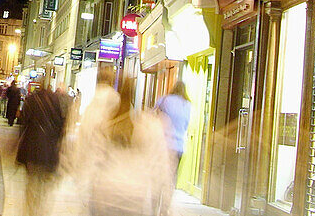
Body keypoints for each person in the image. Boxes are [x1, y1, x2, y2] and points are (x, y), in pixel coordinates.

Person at [85, 76, 171, 216]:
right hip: (134, 196)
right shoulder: (149, 127)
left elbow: (93, 160)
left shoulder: (106, 125)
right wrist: (162, 205)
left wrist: (85, 190)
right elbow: (160, 167)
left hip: (106, 192)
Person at [15, 81, 67, 216]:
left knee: (32, 183)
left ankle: (31, 211)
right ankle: (40, 210)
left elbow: (24, 124)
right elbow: (61, 127)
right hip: (49, 151)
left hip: (32, 148)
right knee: (43, 186)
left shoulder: (33, 100)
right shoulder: (56, 102)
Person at [156, 79, 192, 214]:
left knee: (159, 175)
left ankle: (156, 202)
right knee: (171, 178)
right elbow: (186, 125)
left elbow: (154, 115)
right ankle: (165, 208)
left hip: (163, 144)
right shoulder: (187, 104)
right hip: (178, 146)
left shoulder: (164, 100)